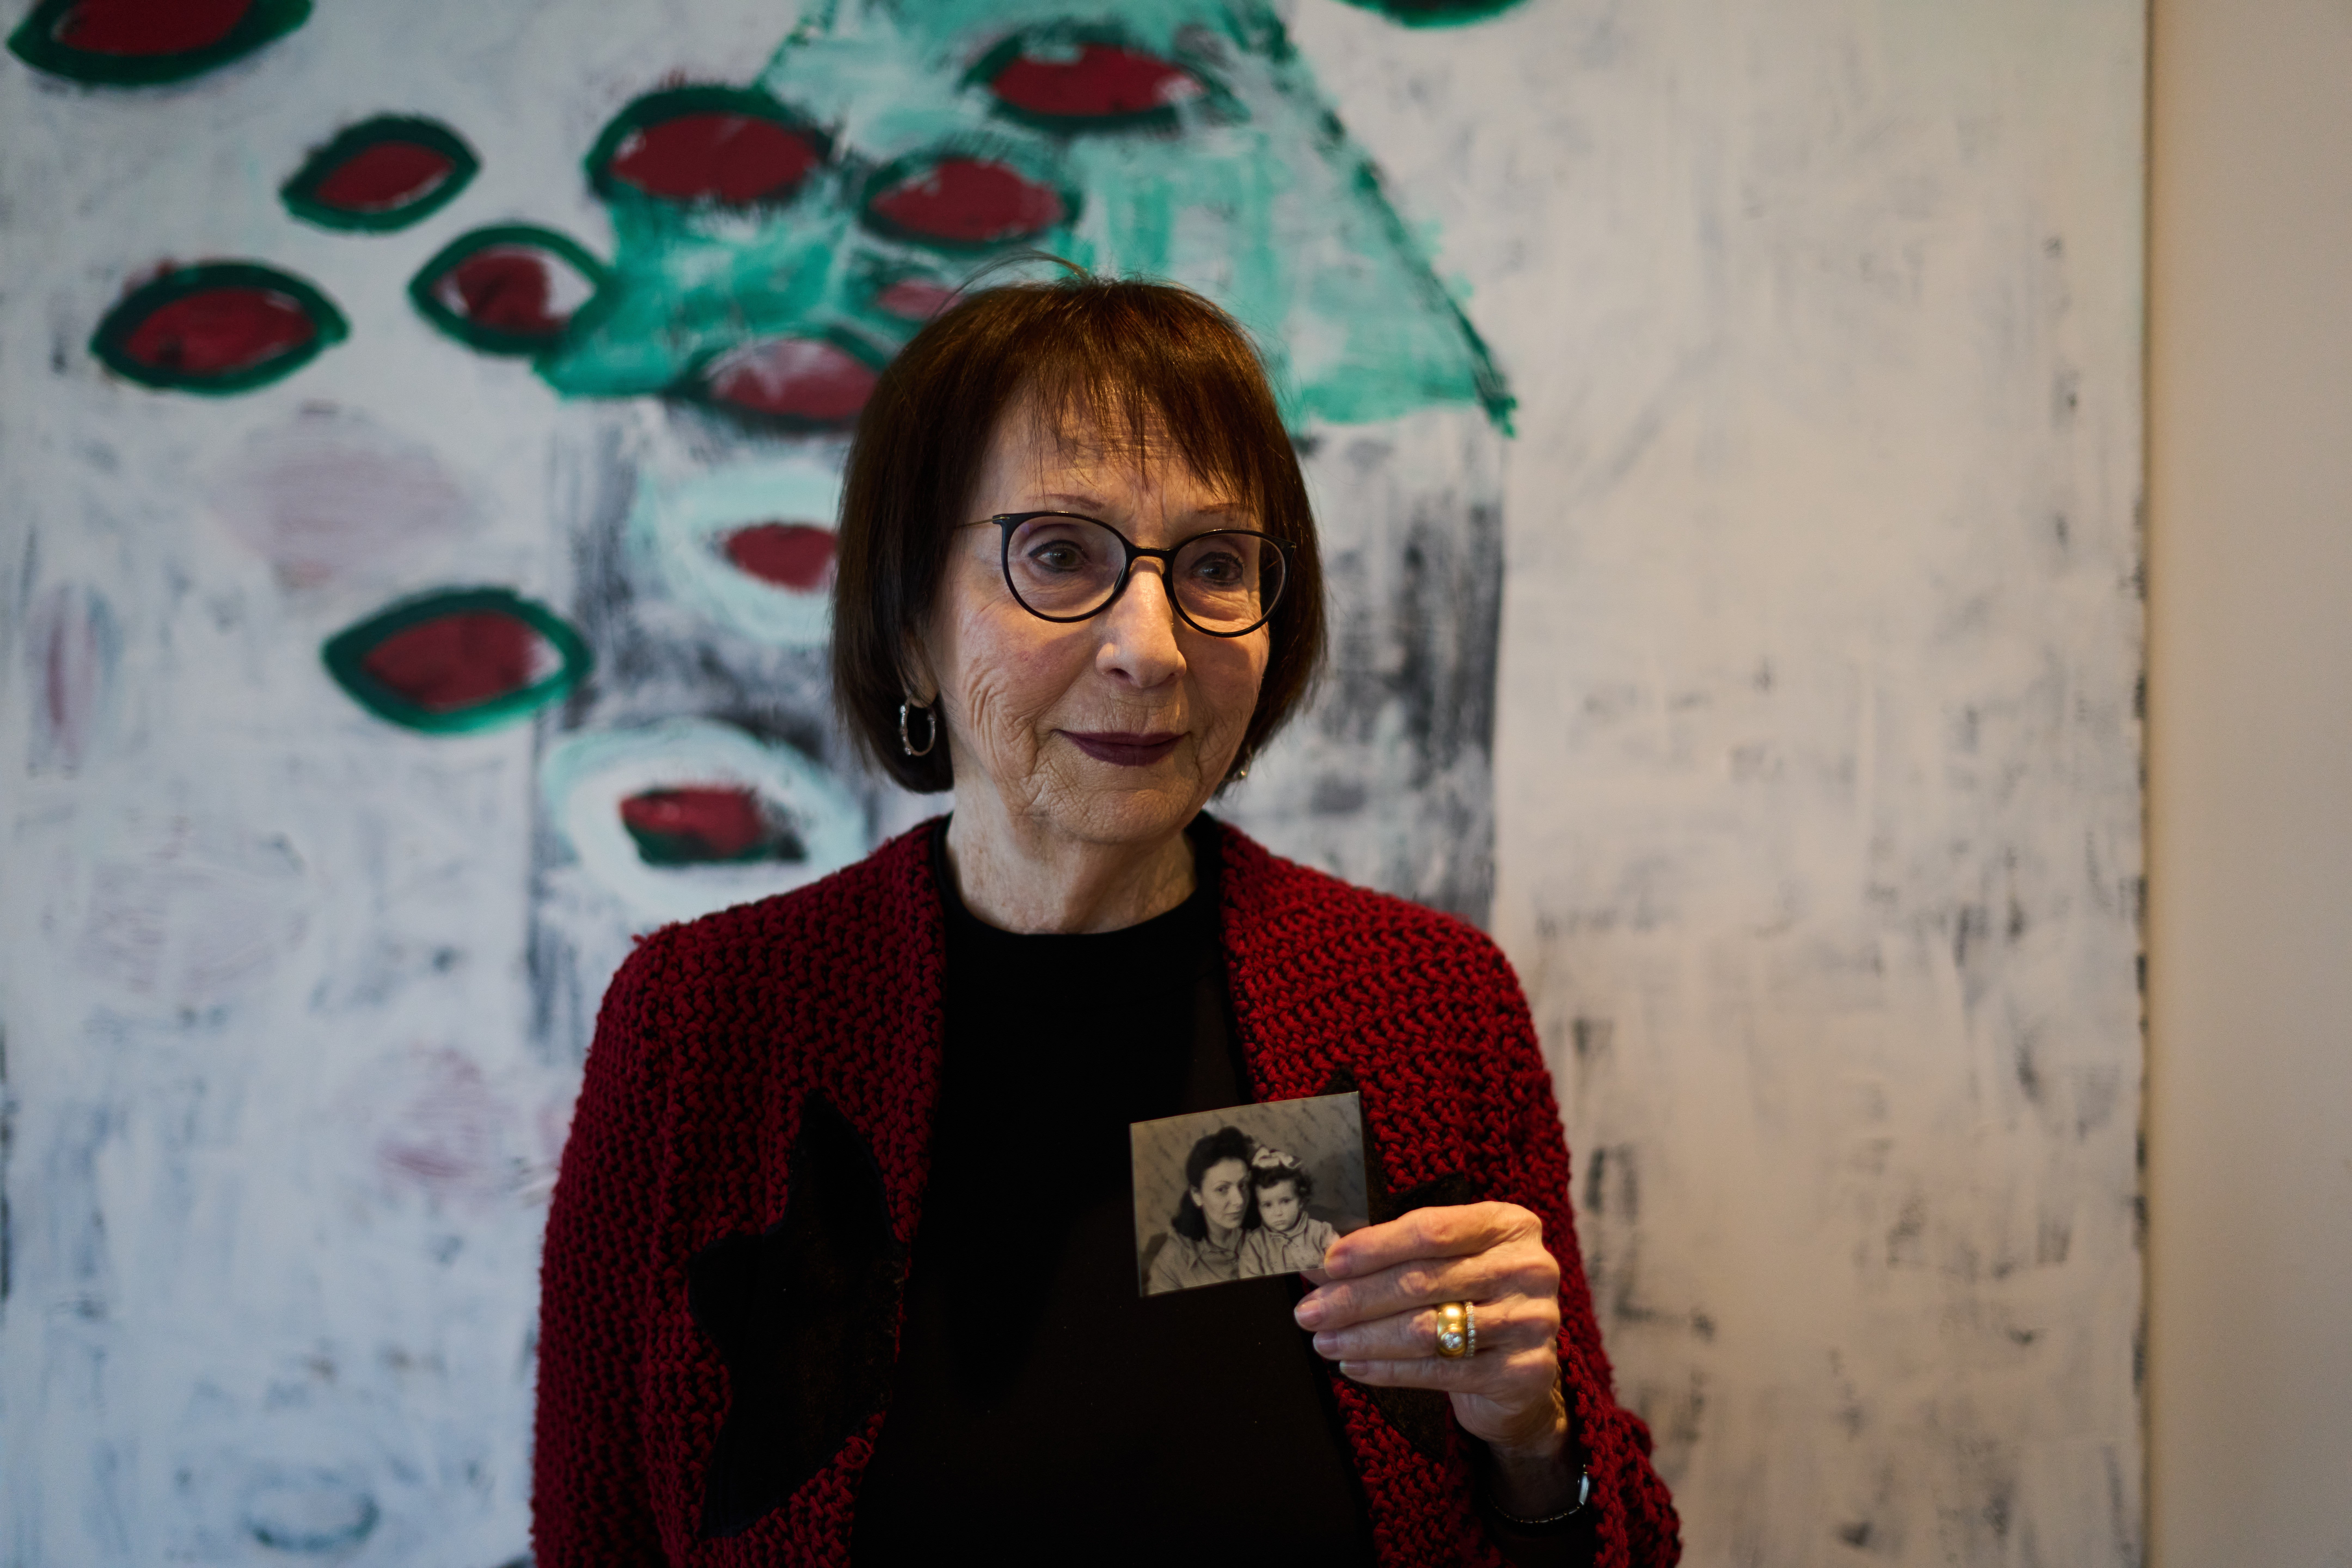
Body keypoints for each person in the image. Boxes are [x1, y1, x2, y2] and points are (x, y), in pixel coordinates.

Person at [532, 273, 1681, 1566]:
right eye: (1061, 554)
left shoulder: (1429, 1006)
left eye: (1214, 566)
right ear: (910, 627)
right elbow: (595, 1537)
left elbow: (1599, 1538)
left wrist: (1531, 1434)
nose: (1153, 646)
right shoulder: (703, 1027)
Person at [1146, 1126, 1262, 1293]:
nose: (1240, 1201)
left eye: (1242, 1185)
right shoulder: (1171, 1265)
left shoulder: (1270, 1229)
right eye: (1222, 1189)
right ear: (1197, 1195)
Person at [1240, 1146, 1340, 1277]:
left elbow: (1342, 1266)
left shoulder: (1321, 1233)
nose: (1278, 1213)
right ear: (1258, 1207)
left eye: (1286, 1201)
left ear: (1301, 1201)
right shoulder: (1255, 1246)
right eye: (1268, 1205)